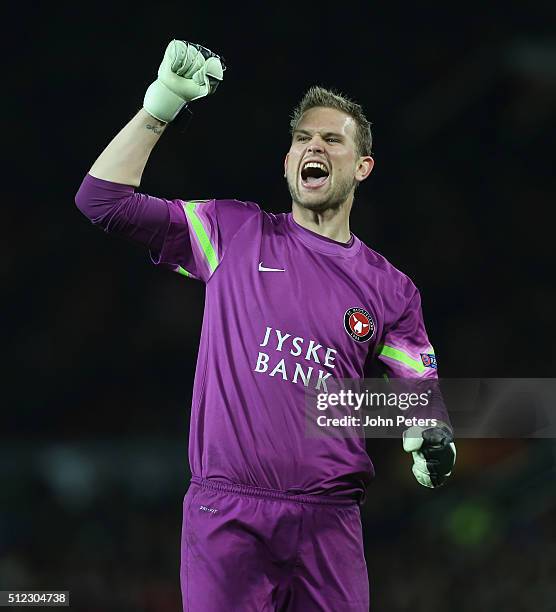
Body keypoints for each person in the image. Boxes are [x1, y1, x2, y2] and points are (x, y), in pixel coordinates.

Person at [75, 39, 456, 612]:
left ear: (362, 166)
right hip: (227, 513)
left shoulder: (391, 290)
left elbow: (418, 391)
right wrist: (161, 105)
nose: (314, 147)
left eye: (332, 140)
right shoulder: (234, 233)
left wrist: (429, 434)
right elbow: (101, 201)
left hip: (330, 525)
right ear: (287, 163)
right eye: (303, 138)